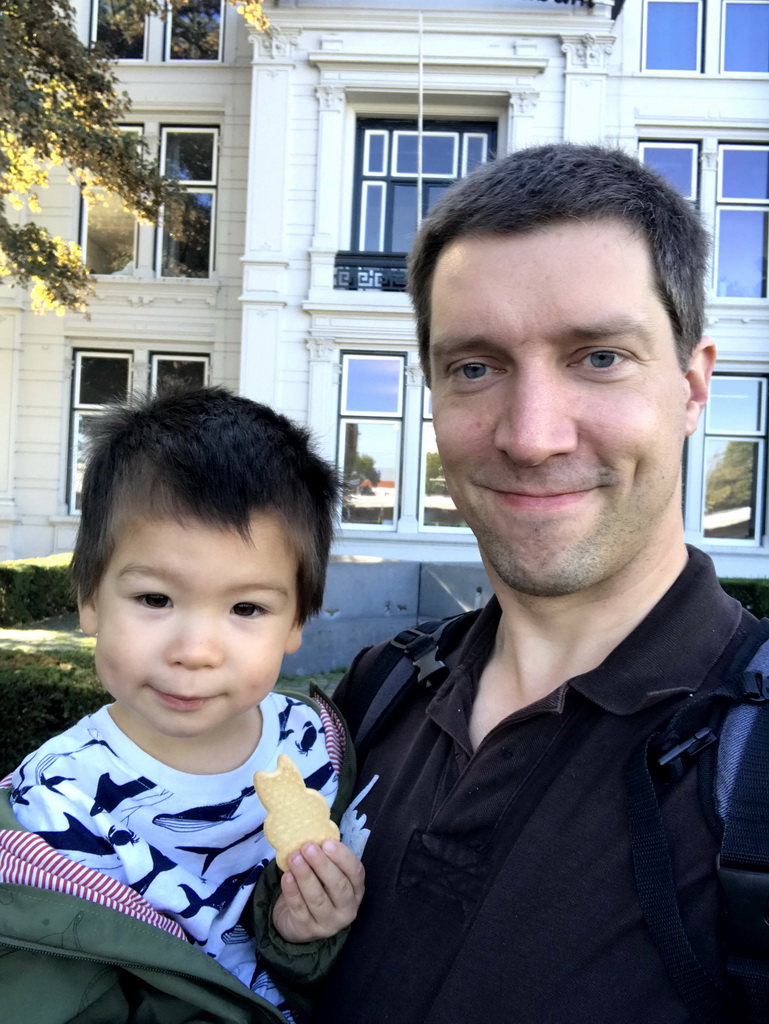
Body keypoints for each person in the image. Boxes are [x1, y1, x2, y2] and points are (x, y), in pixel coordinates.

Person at [311, 144, 761, 1024]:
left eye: (597, 357)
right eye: (474, 367)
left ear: (692, 383)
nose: (530, 436)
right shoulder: (377, 698)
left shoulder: (753, 770)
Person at [0, 386, 364, 1024]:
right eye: (155, 599)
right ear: (89, 597)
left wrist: (306, 938)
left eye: (246, 608)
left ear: (296, 622)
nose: (195, 651)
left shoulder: (314, 749)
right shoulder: (51, 814)